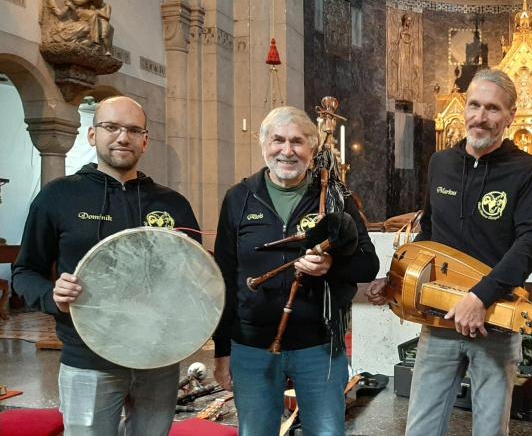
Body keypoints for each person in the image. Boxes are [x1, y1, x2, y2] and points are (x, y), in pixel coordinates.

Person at [367, 68, 532, 436]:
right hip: (439, 320)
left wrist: (480, 297)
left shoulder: (527, 171)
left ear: (511, 115)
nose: (480, 117)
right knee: (420, 428)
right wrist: (394, 281)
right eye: (474, 105)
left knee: (489, 430)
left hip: (495, 318)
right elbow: (430, 233)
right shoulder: (441, 163)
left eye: (493, 108)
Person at [12, 96, 201, 436]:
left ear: (145, 140)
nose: (122, 137)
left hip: (158, 359)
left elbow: (194, 278)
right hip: (88, 360)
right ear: (92, 134)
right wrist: (52, 296)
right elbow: (25, 272)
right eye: (111, 127)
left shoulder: (172, 203)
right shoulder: (58, 197)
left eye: (133, 130)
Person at [212, 106, 379, 436]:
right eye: (278, 140)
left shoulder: (334, 197)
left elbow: (368, 264)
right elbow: (224, 278)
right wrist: (222, 349)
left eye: (297, 142)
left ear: (312, 149)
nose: (287, 150)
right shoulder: (239, 198)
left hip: (319, 346)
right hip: (252, 347)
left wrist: (331, 266)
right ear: (263, 144)